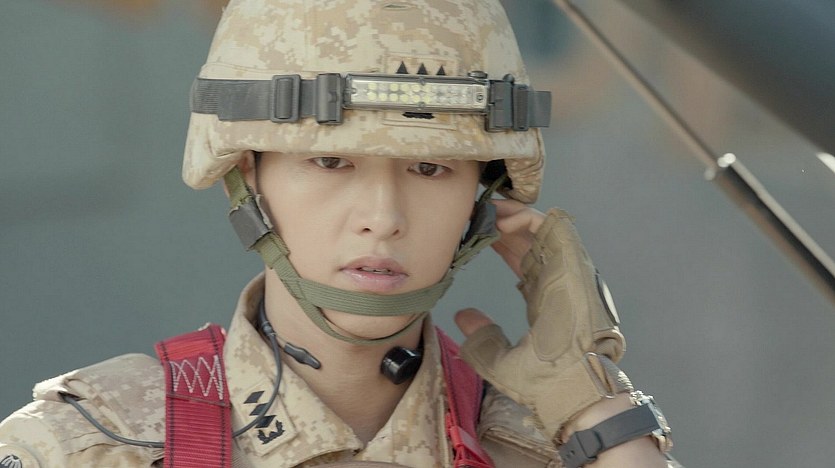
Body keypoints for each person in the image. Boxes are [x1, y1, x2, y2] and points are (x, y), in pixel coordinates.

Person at [0, 0, 679, 466]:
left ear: (480, 196)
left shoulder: (557, 446)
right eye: (330, 162)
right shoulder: (93, 445)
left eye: (430, 168)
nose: (383, 216)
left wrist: (593, 406)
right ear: (247, 173)